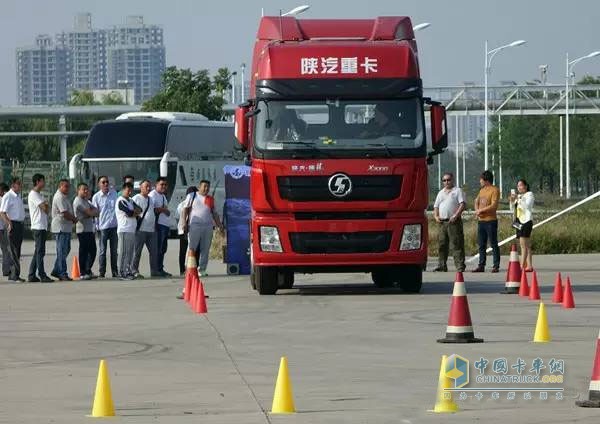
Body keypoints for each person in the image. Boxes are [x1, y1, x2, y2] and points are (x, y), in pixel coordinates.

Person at [182, 180, 224, 277]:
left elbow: (214, 214)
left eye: (208, 187)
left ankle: (202, 269)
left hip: (208, 226)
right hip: (194, 225)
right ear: (199, 186)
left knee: (205, 248)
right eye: (204, 186)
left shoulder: (210, 199)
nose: (206, 189)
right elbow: (185, 209)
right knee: (192, 247)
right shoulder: (192, 196)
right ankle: (188, 268)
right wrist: (184, 222)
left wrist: (220, 226)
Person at [433, 172, 466, 272]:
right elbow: (436, 206)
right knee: (442, 244)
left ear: (452, 180)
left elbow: (462, 204)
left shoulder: (457, 191)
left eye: (448, 180)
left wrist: (456, 215)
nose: (446, 182)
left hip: (453, 222)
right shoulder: (441, 192)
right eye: (444, 180)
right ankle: (442, 265)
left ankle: (460, 265)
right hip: (442, 222)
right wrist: (436, 216)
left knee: (456, 244)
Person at [472, 170, 501, 273]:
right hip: (481, 221)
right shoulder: (482, 190)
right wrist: (477, 210)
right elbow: (476, 201)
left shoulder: (494, 190)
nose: (480, 181)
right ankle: (481, 265)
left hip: (490, 221)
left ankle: (496, 265)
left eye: (481, 179)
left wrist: (481, 210)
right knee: (481, 244)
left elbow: (493, 206)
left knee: (493, 243)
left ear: (486, 180)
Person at [92, 176, 119, 278]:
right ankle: (102, 272)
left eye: (107, 182)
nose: (105, 184)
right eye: (103, 182)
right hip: (102, 227)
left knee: (114, 251)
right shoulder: (96, 197)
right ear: (99, 184)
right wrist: (97, 226)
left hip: (113, 226)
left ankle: (115, 271)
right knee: (103, 251)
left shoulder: (114, 194)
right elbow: (95, 213)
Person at [27, 174, 52, 283]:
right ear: (37, 182)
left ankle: (32, 274)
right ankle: (42, 274)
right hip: (38, 226)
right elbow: (45, 208)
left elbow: (47, 208)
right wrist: (46, 205)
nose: (44, 183)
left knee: (38, 251)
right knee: (40, 252)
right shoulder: (34, 195)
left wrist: (46, 205)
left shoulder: (39, 195)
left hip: (42, 226)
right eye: (43, 181)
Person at [0, 178, 26, 282]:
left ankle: (15, 274)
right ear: (13, 185)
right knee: (13, 251)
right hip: (13, 224)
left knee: (17, 250)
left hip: (19, 224)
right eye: (18, 184)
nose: (20, 186)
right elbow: (2, 212)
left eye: (21, 184)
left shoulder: (18, 196)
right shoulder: (8, 196)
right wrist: (8, 223)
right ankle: (14, 275)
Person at [51, 179, 77, 281]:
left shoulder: (64, 197)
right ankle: (62, 273)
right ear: (60, 186)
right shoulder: (59, 197)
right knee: (61, 251)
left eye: (68, 186)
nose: (67, 188)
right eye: (65, 186)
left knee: (66, 249)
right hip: (60, 227)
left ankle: (56, 270)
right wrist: (74, 219)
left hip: (66, 227)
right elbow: (64, 213)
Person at [132, 179, 158, 278]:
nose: (148, 188)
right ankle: (134, 270)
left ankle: (154, 271)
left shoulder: (151, 199)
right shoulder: (136, 198)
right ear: (140, 187)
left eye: (149, 186)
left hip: (151, 230)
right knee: (137, 252)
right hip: (140, 230)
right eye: (146, 186)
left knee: (154, 252)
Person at [73, 183, 99, 280]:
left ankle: (88, 270)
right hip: (82, 230)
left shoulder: (86, 201)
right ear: (78, 190)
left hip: (89, 229)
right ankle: (83, 272)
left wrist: (91, 213)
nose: (86, 191)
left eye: (87, 189)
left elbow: (97, 211)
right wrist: (90, 213)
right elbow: (90, 212)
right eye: (84, 189)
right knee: (84, 251)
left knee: (92, 250)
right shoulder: (78, 201)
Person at [115, 182, 140, 280]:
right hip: (124, 230)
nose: (129, 192)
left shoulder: (130, 200)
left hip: (131, 230)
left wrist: (134, 212)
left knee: (130, 252)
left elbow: (139, 209)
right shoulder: (120, 201)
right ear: (123, 190)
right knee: (123, 252)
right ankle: (121, 272)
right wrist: (134, 213)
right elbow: (129, 213)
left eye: (131, 190)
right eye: (127, 190)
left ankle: (128, 270)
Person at [149, 177, 172, 277]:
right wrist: (163, 210)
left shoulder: (162, 196)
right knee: (158, 248)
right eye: (161, 184)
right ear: (156, 185)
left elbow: (166, 210)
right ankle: (156, 269)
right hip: (158, 225)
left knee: (163, 248)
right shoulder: (153, 195)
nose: (164, 186)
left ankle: (160, 268)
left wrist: (165, 210)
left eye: (165, 185)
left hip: (164, 225)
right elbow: (153, 209)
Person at [510, 179, 535, 271]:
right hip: (518, 222)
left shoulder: (529, 194)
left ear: (525, 186)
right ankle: (529, 266)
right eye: (518, 186)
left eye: (521, 185)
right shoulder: (519, 196)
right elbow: (513, 208)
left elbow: (527, 206)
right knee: (526, 245)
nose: (519, 187)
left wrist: (519, 198)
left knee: (523, 244)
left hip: (526, 221)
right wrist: (513, 201)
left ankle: (521, 265)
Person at [176, 186, 199, 276]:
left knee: (183, 251)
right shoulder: (183, 205)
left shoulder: (180, 204)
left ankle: (184, 270)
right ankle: (189, 269)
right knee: (191, 250)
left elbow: (176, 218)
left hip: (183, 230)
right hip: (186, 230)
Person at [0, 183, 11, 277]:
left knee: (6, 250)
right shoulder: (3, 199)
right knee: (6, 250)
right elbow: (3, 213)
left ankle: (7, 269)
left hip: (2, 228)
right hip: (2, 229)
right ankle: (6, 270)